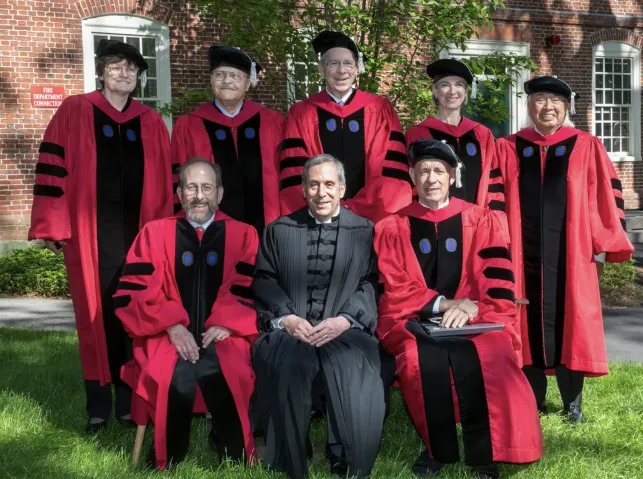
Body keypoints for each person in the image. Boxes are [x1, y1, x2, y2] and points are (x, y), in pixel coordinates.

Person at [375, 139, 542, 478]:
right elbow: (392, 287)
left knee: (492, 353)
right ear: (411, 176)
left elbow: (496, 283)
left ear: (452, 176)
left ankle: (487, 452)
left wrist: (472, 309)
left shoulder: (482, 220)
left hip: (477, 317)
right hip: (415, 321)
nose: (431, 178)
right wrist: (445, 303)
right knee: (418, 359)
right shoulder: (392, 227)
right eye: (423, 171)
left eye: (439, 171)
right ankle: (438, 447)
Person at [28, 39, 171, 433]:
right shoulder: (75, 110)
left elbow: (165, 182)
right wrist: (53, 226)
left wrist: (163, 236)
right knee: (94, 317)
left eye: (131, 69)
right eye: (116, 67)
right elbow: (52, 167)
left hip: (140, 237)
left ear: (139, 78)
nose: (124, 74)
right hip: (88, 238)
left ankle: (128, 403)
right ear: (102, 72)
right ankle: (97, 405)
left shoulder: (151, 121)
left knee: (135, 312)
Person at [492, 76, 634, 422]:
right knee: (524, 322)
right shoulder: (508, 147)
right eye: (539, 99)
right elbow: (492, 202)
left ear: (567, 106)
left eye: (555, 100)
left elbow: (605, 196)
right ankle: (532, 400)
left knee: (573, 322)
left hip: (572, 257)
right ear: (528, 106)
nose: (547, 107)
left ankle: (573, 404)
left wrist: (604, 244)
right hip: (520, 258)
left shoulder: (586, 145)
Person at [112, 159, 259, 469]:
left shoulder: (244, 235)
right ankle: (169, 456)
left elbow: (248, 286)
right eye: (191, 187)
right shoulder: (154, 233)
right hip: (163, 332)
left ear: (220, 193)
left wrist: (226, 322)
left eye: (207, 187)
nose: (199, 195)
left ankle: (233, 454)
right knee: (171, 374)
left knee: (229, 368)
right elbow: (134, 293)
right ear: (179, 193)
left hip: (222, 330)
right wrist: (171, 325)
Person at [252, 155, 384, 478]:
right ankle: (290, 452)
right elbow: (264, 280)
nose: (321, 192)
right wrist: (288, 319)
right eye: (313, 184)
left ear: (342, 188)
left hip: (343, 327)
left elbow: (371, 283)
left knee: (351, 362)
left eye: (328, 184)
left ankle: (344, 453)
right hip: (292, 330)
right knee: (289, 361)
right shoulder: (279, 230)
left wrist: (345, 320)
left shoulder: (364, 232)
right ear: (303, 189)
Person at [279, 30, 411, 223]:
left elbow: (392, 171)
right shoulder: (301, 113)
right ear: (320, 69)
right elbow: (294, 172)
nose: (342, 71)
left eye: (348, 63)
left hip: (371, 218)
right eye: (333, 63)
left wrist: (356, 207)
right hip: (318, 216)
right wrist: (325, 206)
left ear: (357, 69)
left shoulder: (380, 109)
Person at [171, 46, 284, 234]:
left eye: (236, 76)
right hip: (206, 234)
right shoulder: (188, 126)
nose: (227, 81)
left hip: (268, 230)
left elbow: (287, 177)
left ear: (248, 83)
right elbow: (178, 181)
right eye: (220, 74)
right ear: (211, 81)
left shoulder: (273, 123)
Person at [406, 59, 496, 206]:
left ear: (466, 91)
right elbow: (412, 185)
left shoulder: (482, 134)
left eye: (459, 85)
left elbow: (493, 182)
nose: (452, 91)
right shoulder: (418, 134)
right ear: (435, 91)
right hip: (433, 221)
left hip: (476, 221)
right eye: (445, 85)